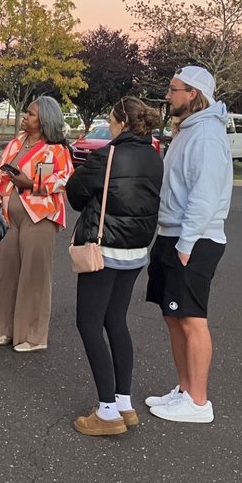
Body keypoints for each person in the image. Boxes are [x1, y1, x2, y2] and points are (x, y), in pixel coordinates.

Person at [66, 97, 163, 436]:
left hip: (103, 248)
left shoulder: (106, 156)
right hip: (136, 249)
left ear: (121, 121)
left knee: (89, 323)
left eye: (110, 119)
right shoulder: (154, 156)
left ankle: (107, 410)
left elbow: (75, 194)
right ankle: (123, 402)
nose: (108, 124)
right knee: (116, 320)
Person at [144, 66, 232, 424]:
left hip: (193, 239)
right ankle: (184, 389)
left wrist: (186, 242)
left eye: (174, 89)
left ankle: (198, 402)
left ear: (193, 93)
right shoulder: (188, 131)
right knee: (173, 316)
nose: (168, 96)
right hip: (174, 234)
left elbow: (205, 194)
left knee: (192, 320)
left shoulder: (207, 135)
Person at [0, 95, 74, 352]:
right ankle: (5, 329)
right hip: (9, 216)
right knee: (7, 271)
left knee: (34, 275)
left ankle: (33, 335)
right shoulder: (16, 143)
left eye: (31, 114)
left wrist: (32, 184)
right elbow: (0, 173)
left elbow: (64, 180)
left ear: (45, 120)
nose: (25, 117)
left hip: (40, 217)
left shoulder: (57, 150)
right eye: (26, 113)